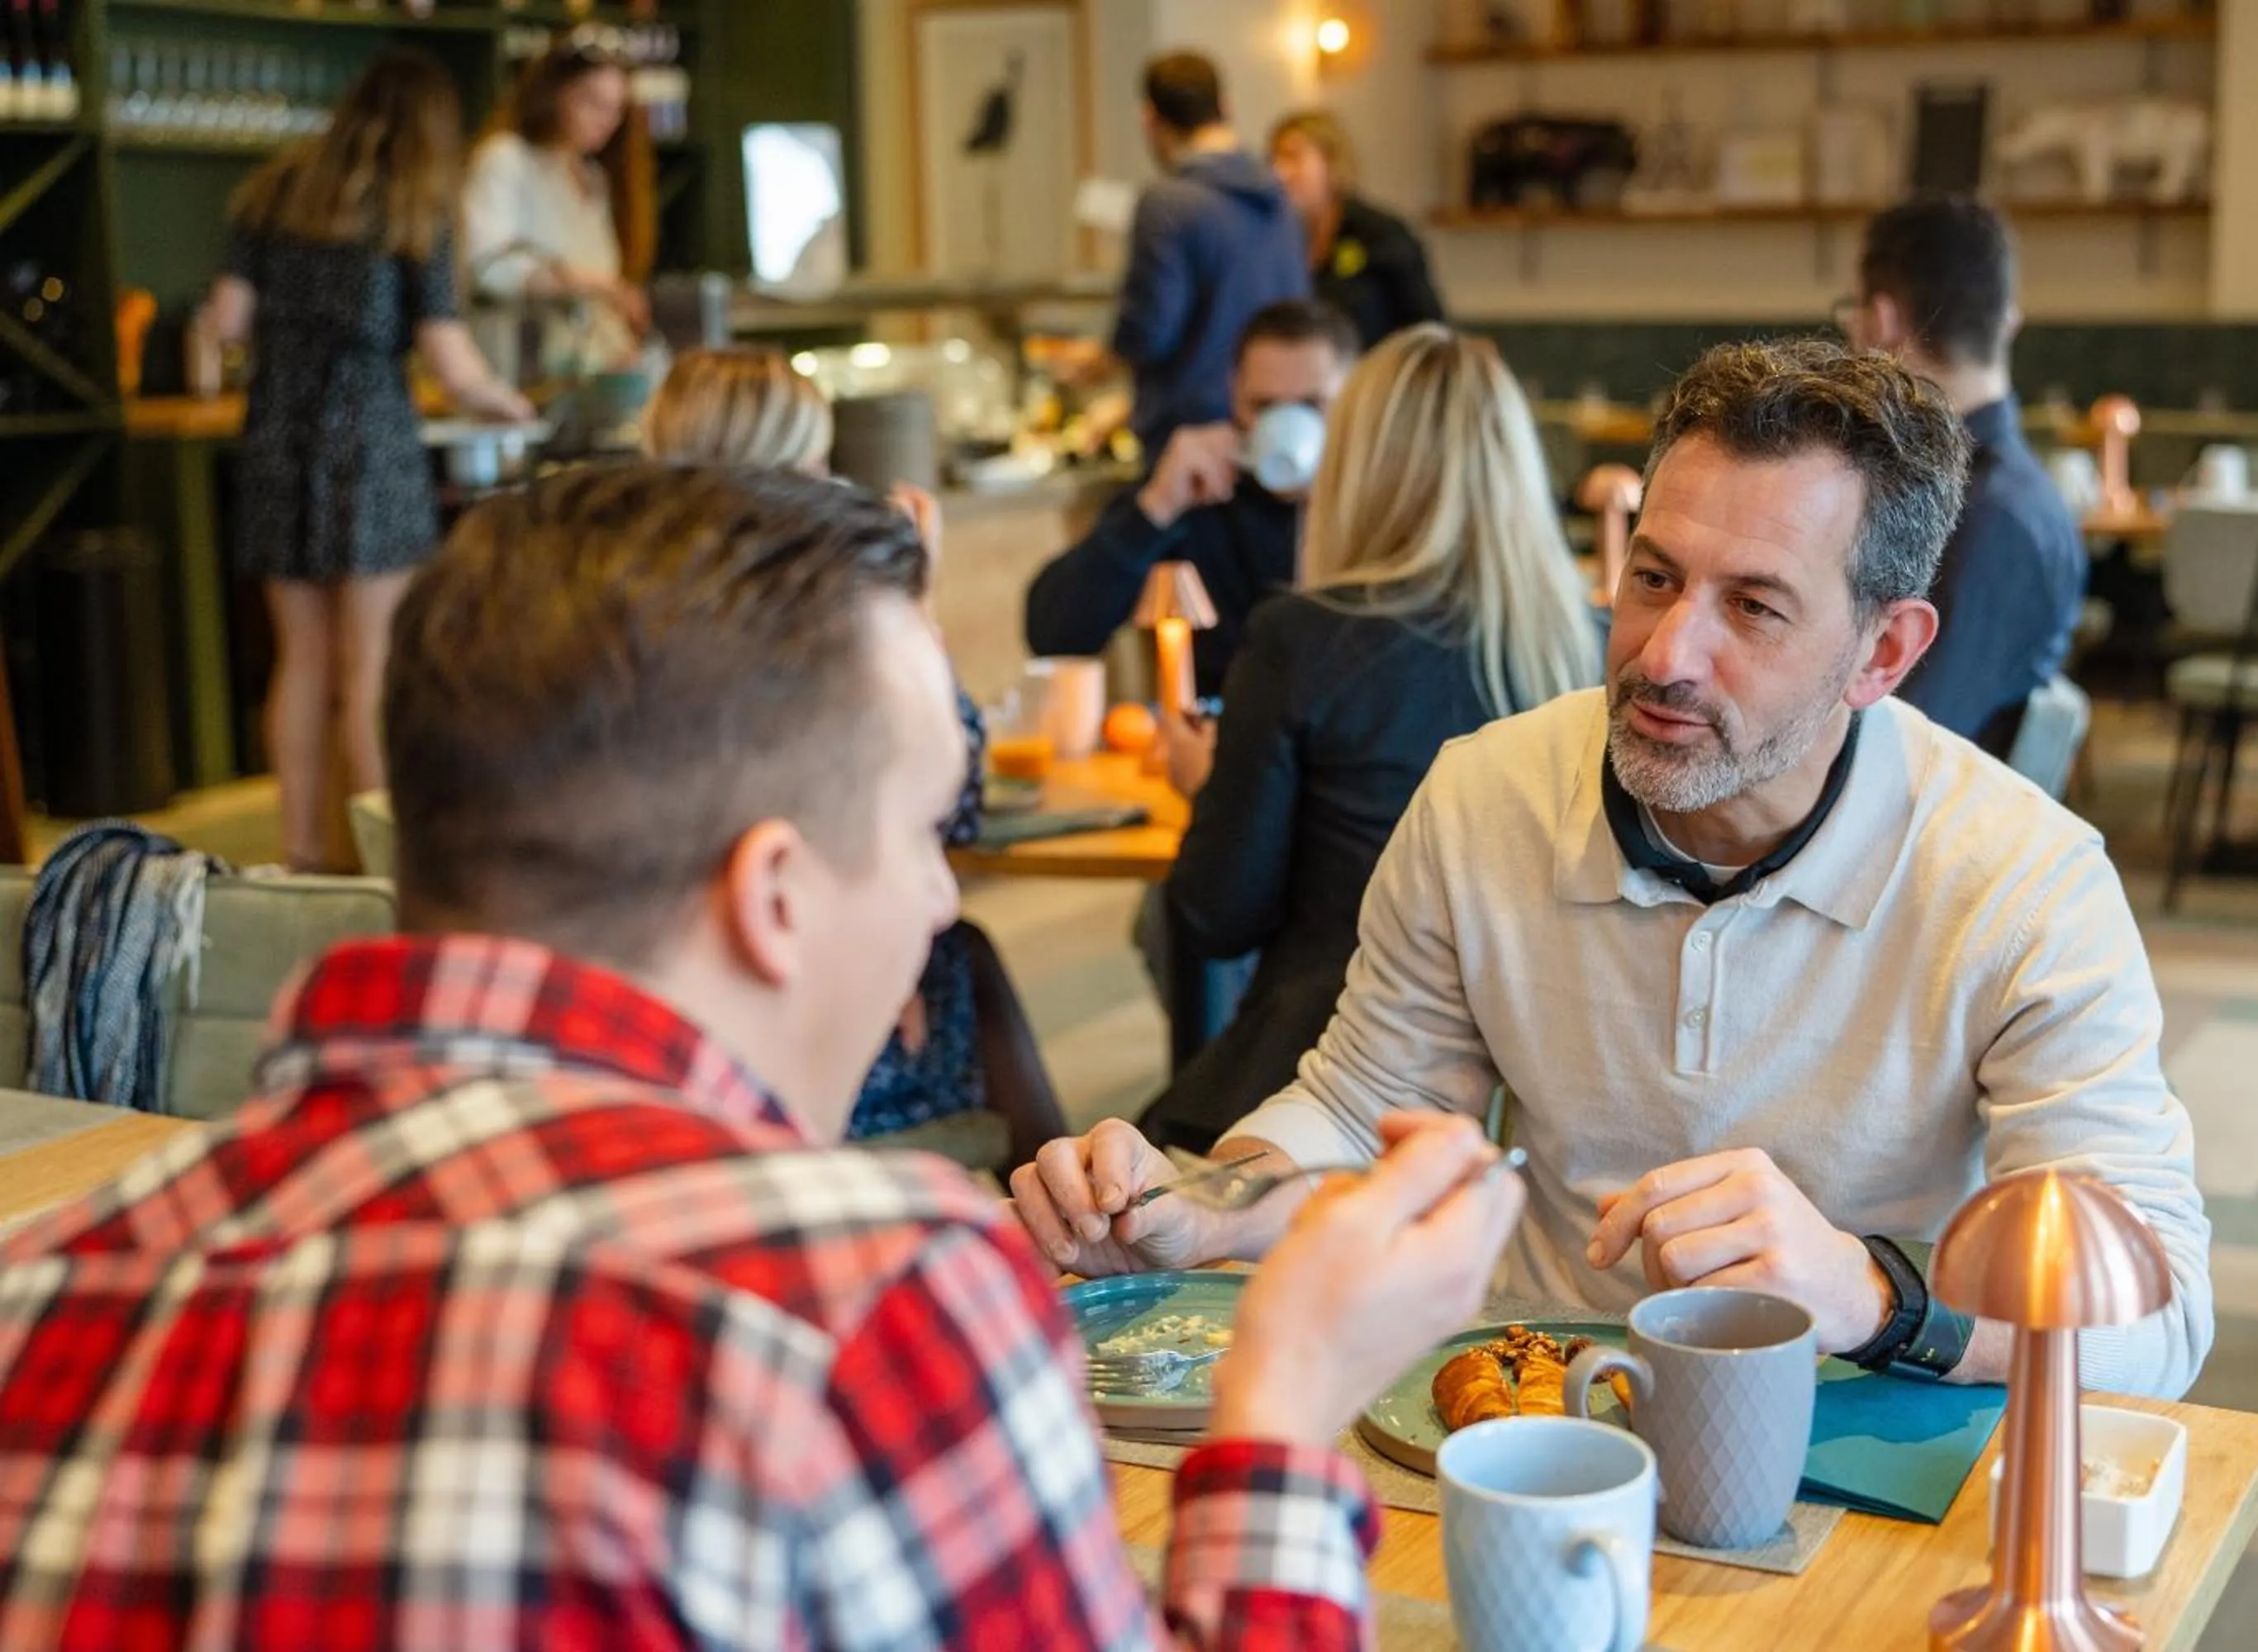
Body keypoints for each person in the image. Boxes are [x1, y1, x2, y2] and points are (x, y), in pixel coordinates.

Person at [0, 463, 1527, 1649]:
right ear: (774, 898)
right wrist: (1278, 1404)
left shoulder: (43, 1288)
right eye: (931, 835)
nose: (943, 897)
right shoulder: (873, 1308)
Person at [1015, 339, 2215, 1402]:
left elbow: (2163, 1324)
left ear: (1884, 653)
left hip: (1863, 1415)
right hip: (1530, 1397)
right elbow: (1359, 1112)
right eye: (1653, 578)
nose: (1666, 655)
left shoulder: (2023, 880)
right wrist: (1194, 1208)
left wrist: (1868, 1296)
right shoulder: (1486, 795)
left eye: (1752, 608)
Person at [1141, 325, 1602, 1151]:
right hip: (1539, 1106)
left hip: (1328, 1087)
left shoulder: (1305, 639)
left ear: (1352, 468)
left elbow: (1216, 916)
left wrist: (1205, 782)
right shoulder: (1596, 645)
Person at [642, 347, 1066, 1170]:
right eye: (814, 461)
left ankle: (1065, 1207)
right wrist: (911, 603)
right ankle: (1070, 1227)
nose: (832, 482)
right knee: (962, 957)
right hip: (778, 1000)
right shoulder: (799, 621)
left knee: (964, 954)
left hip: (675, 977)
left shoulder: (644, 603)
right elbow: (956, 792)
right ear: (777, 473)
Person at [198, 47, 533, 873]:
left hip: (277, 429)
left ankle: (301, 853)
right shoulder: (415, 207)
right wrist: (511, 404)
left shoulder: (275, 191)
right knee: (371, 659)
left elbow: (227, 321)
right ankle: (383, 860)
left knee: (301, 657)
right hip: (370, 437)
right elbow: (451, 361)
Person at [1842, 195, 2088, 755]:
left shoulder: (1985, 516)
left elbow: (1904, 739)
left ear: (1881, 320)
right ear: (2008, 323)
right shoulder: (2010, 497)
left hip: (1921, 830)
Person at [1025, 298, 1355, 700]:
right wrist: (1156, 508)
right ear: (1234, 394)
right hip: (1220, 741)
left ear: (1353, 398)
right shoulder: (1197, 491)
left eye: (1310, 406)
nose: (1285, 425)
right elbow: (1053, 635)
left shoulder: (1381, 502)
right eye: (1264, 406)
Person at [1110, 51, 1310, 458]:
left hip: (1193, 440)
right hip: (1278, 427)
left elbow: (1149, 332)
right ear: (1226, 106)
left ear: (1150, 119)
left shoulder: (1168, 202)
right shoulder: (1279, 197)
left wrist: (1101, 359)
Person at [464, 35, 644, 377]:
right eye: (592, 102)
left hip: (583, 376)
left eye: (616, 108)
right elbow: (487, 268)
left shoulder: (593, 177)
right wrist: (592, 283)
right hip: (515, 375)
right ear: (554, 94)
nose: (606, 120)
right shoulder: (506, 159)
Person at [1268, 109, 1445, 349]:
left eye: (1293, 158)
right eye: (1275, 159)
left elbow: (1427, 327)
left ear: (1330, 162)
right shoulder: (1279, 237)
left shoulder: (1380, 234)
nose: (1280, 172)